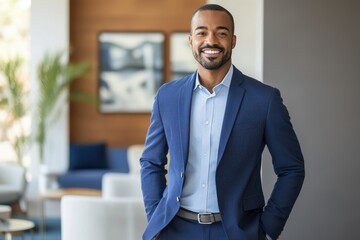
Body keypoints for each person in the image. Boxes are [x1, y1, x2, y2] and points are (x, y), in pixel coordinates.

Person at [140, 4, 305, 240]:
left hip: (237, 232)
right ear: (190, 40)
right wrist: (156, 217)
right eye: (201, 32)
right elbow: (150, 162)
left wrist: (268, 229)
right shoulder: (167, 96)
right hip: (175, 230)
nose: (211, 40)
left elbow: (292, 168)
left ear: (233, 40)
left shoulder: (264, 99)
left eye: (221, 32)